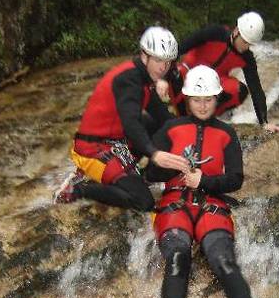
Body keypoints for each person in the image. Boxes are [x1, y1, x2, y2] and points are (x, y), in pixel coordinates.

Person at [147, 65, 263, 298]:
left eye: (208, 99)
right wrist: (170, 166)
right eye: (197, 99)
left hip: (211, 204)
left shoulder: (227, 134)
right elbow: (151, 174)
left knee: (223, 259)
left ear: (217, 99)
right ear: (186, 99)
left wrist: (205, 180)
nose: (202, 105)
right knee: (177, 254)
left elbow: (235, 179)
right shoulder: (170, 129)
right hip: (176, 202)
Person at [54, 26, 190, 210]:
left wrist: (195, 134)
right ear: (144, 55)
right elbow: (132, 123)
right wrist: (155, 154)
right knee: (144, 202)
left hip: (115, 140)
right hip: (92, 149)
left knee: (160, 125)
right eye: (158, 60)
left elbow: (164, 117)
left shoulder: (145, 78)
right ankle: (80, 188)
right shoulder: (129, 80)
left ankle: (132, 177)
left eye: (167, 62)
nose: (163, 67)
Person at [159, 11, 279, 134]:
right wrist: (163, 78)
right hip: (188, 71)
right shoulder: (215, 33)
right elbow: (180, 48)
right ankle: (180, 116)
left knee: (240, 91)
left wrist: (264, 122)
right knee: (175, 73)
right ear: (236, 31)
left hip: (213, 82)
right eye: (245, 41)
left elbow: (256, 88)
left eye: (250, 44)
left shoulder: (247, 57)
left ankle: (204, 119)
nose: (246, 47)